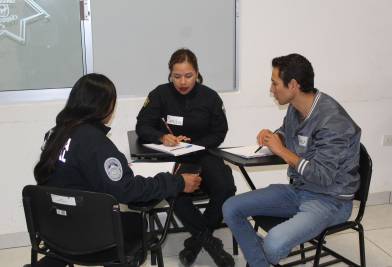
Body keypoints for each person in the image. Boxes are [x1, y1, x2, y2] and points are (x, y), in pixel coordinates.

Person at [25, 73, 202, 267]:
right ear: (105, 106)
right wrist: (177, 182)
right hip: (88, 238)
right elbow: (127, 191)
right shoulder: (96, 143)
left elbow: (72, 177)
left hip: (53, 230)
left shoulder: (55, 134)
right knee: (135, 224)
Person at [222, 53, 361, 267]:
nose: (271, 89)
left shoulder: (334, 123)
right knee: (231, 207)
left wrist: (282, 151)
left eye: (274, 83)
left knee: (273, 245)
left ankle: (261, 258)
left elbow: (323, 176)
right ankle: (261, 262)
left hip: (330, 200)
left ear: (293, 85)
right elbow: (287, 132)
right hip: (298, 190)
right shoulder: (296, 108)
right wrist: (275, 136)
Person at [136, 48, 236, 267]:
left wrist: (194, 145)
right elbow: (142, 126)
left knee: (226, 187)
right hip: (175, 158)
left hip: (203, 153)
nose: (182, 81)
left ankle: (196, 243)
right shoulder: (159, 94)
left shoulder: (210, 97)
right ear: (170, 74)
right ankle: (211, 244)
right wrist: (162, 137)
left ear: (197, 73)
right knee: (176, 190)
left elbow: (220, 132)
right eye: (177, 76)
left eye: (188, 76)